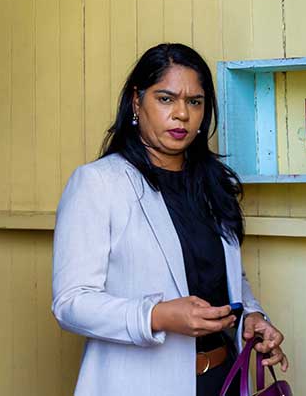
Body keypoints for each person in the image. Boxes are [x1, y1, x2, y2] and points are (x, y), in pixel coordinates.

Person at [52, 43, 289, 396]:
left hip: (221, 379)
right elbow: (71, 303)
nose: (182, 114)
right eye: (166, 99)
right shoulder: (99, 183)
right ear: (137, 101)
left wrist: (253, 320)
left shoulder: (213, 183)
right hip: (140, 384)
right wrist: (158, 315)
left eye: (195, 101)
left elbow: (227, 281)